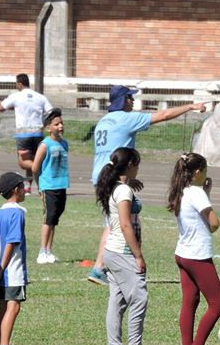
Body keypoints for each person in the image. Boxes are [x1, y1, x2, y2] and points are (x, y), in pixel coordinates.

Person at [86, 85, 207, 285]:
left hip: (102, 175)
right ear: (123, 100)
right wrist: (190, 107)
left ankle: (105, 267)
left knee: (114, 222)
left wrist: (126, 177)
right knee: (116, 223)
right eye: (130, 97)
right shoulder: (126, 119)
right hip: (112, 177)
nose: (133, 101)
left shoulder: (103, 121)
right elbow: (163, 115)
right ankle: (100, 268)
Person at [167, 152, 220, 345]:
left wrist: (205, 192)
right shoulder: (197, 193)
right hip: (197, 255)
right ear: (198, 172)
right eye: (206, 170)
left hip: (183, 253)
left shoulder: (181, 190)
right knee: (218, 304)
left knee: (190, 301)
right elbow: (214, 223)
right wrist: (205, 196)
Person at [96, 148, 149, 345]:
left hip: (112, 251)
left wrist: (129, 183)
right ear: (130, 165)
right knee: (139, 297)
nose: (139, 168)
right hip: (123, 252)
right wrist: (138, 255)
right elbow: (126, 224)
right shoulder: (123, 191)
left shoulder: (115, 186)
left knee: (117, 301)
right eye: (137, 164)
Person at [0, 172, 30, 345]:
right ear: (16, 190)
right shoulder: (17, 213)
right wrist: (3, 267)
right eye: (23, 186)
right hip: (12, 270)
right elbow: (12, 242)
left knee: (3, 308)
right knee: (13, 307)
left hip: (0, 268)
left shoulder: (0, 212)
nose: (25, 190)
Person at [0, 73, 52, 195]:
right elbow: (50, 112)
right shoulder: (40, 97)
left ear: (20, 84)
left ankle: (40, 174)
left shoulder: (16, 96)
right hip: (38, 133)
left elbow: (0, 108)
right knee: (35, 159)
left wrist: (13, 107)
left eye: (16, 84)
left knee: (24, 162)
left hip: (23, 134)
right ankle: (33, 187)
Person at [31, 108, 69, 264]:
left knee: (54, 220)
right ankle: (42, 251)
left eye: (61, 123)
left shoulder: (65, 144)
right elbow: (35, 168)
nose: (60, 126)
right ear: (48, 128)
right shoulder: (45, 145)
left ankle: (49, 251)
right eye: (56, 124)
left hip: (61, 186)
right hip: (49, 187)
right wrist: (40, 187)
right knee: (48, 219)